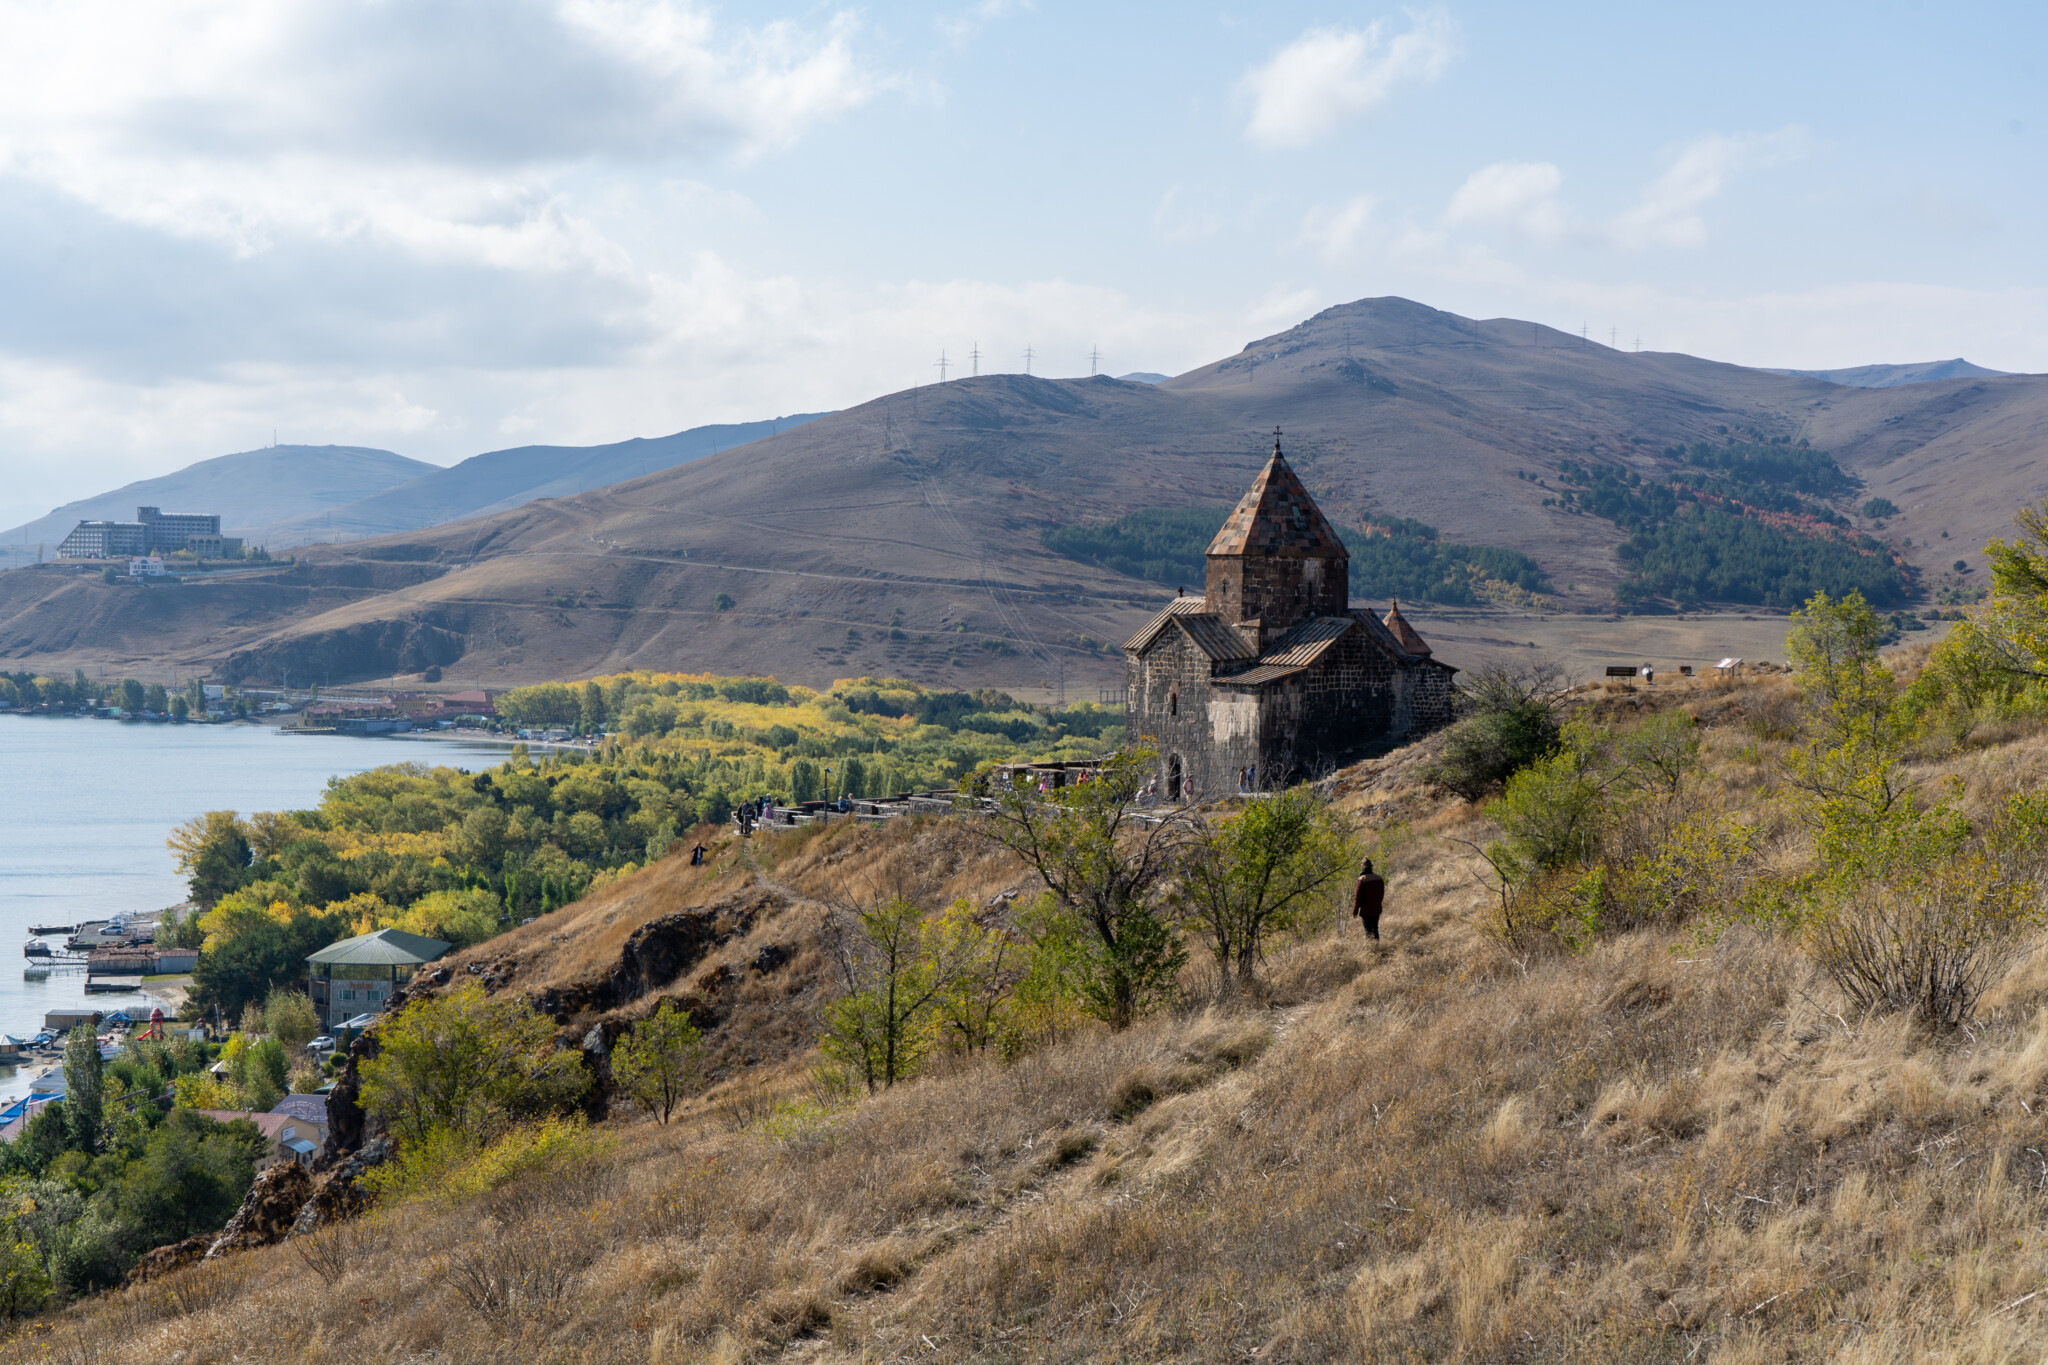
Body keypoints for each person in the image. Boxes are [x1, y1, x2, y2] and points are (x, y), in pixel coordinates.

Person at [1353, 858, 1385, 940]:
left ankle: (1370, 950)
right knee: (1375, 930)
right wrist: (1377, 904)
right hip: (1376, 909)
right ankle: (1377, 948)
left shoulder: (1362, 879)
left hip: (1366, 910)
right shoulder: (1379, 878)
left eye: (1361, 864)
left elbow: (1358, 897)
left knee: (1368, 931)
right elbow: (1381, 895)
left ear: (1365, 866)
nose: (1361, 865)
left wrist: (1355, 911)